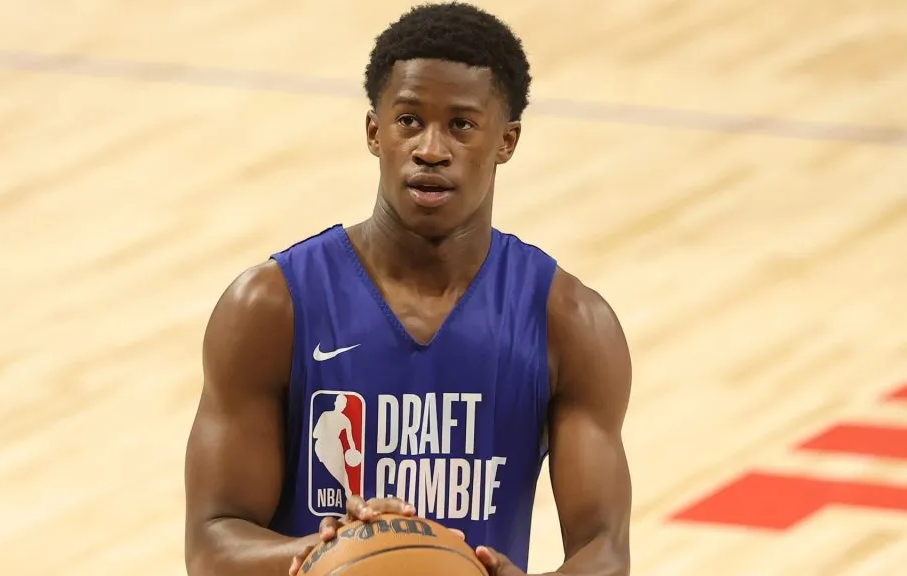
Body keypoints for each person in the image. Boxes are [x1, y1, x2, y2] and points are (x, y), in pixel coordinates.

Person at [183, 3, 633, 575]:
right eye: (409, 120)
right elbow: (211, 541)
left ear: (507, 141)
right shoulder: (271, 307)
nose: (431, 149)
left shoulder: (569, 322)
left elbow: (605, 550)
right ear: (375, 131)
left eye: (461, 125)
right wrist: (331, 553)